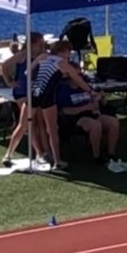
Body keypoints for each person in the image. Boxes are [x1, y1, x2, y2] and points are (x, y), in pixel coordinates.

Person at [31, 40, 94, 169]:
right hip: (47, 97)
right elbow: (78, 80)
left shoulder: (43, 57)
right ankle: (57, 160)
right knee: (52, 129)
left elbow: (28, 72)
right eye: (68, 52)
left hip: (33, 92)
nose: (69, 55)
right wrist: (90, 91)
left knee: (26, 125)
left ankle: (11, 154)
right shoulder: (63, 64)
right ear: (63, 51)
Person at [55, 78, 127, 173]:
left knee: (113, 122)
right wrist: (85, 108)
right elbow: (64, 110)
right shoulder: (64, 90)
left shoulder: (87, 87)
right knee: (95, 125)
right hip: (75, 118)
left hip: (92, 114)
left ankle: (111, 154)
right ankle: (97, 156)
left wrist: (101, 97)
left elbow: (100, 104)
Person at [0, 33, 51, 169]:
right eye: (39, 43)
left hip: (36, 92)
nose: (41, 46)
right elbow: (4, 66)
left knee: (40, 121)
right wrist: (9, 82)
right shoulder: (23, 55)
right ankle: (38, 152)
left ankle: (45, 152)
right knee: (29, 122)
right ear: (31, 44)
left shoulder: (43, 55)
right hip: (22, 91)